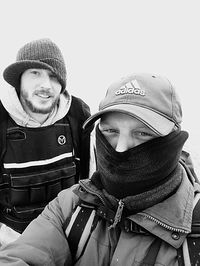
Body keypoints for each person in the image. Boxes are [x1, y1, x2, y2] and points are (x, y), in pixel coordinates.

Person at [0, 73, 199, 265]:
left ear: (174, 140)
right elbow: (23, 255)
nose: (120, 148)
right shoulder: (70, 205)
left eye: (143, 133)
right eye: (111, 131)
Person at [0, 38, 94, 242]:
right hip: (12, 244)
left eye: (54, 76)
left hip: (68, 237)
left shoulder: (77, 116)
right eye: (35, 73)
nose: (46, 85)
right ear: (19, 79)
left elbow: (92, 181)